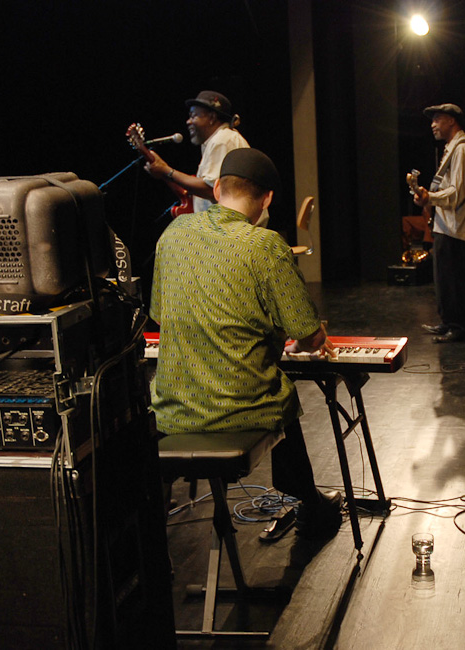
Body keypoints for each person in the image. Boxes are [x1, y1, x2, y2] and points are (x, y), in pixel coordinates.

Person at [150, 148, 341, 537]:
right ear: (267, 199)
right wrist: (308, 340)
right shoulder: (266, 245)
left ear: (217, 189)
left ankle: (306, 500)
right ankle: (310, 504)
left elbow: (159, 314)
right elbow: (308, 334)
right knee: (278, 394)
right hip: (241, 410)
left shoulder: (172, 234)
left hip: (173, 409)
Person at [145, 90, 268, 226]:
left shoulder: (222, 140)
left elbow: (210, 189)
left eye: (194, 116)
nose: (188, 121)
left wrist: (166, 171)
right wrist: (164, 171)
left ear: (212, 117)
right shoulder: (219, 140)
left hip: (234, 231)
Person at [412, 103, 465, 343]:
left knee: (453, 281)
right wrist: (427, 197)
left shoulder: (463, 150)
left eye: (437, 119)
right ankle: (448, 321)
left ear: (451, 121)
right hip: (446, 225)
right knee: (443, 279)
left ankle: (459, 326)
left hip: (456, 228)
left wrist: (430, 197)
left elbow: (457, 192)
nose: (433, 125)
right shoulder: (451, 149)